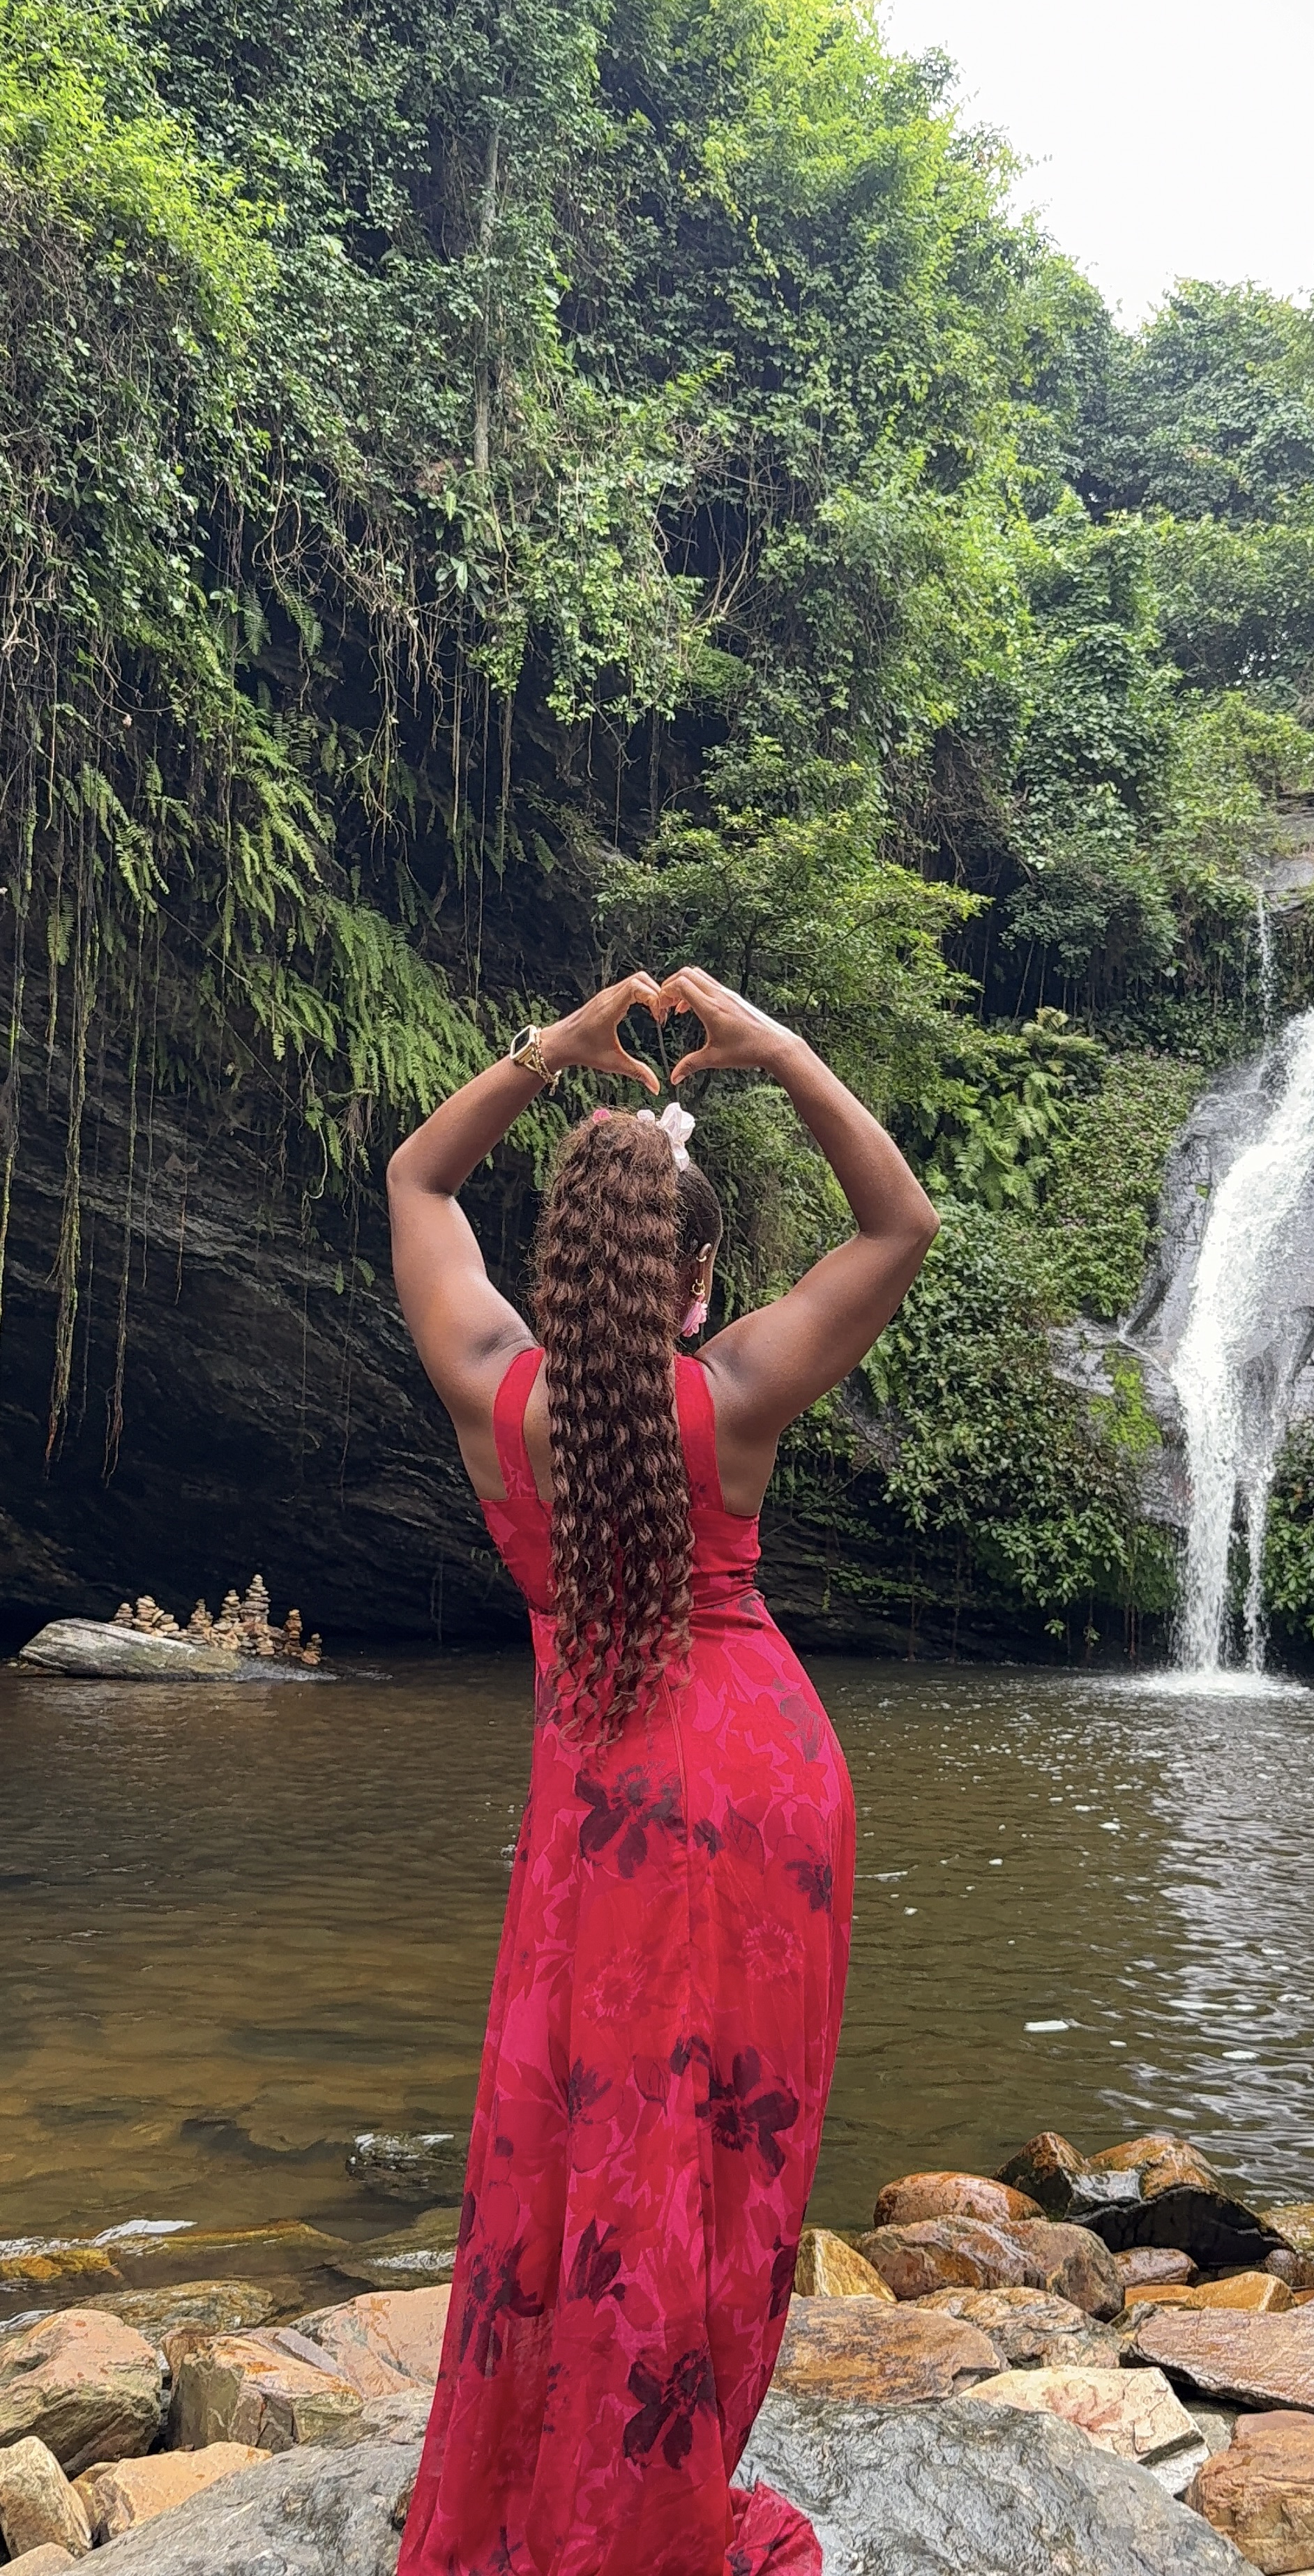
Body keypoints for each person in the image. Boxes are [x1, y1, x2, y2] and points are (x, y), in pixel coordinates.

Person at [385, 965, 939, 2576]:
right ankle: (666, 2494)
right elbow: (898, 1226)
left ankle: (569, 2489)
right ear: (695, 1280)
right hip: (766, 1795)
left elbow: (417, 1178)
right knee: (714, 2168)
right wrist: (779, 1047)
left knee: (581, 2151)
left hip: (604, 1818)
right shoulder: (739, 1397)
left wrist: (547, 1048)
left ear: (556, 1267)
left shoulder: (498, 1395)